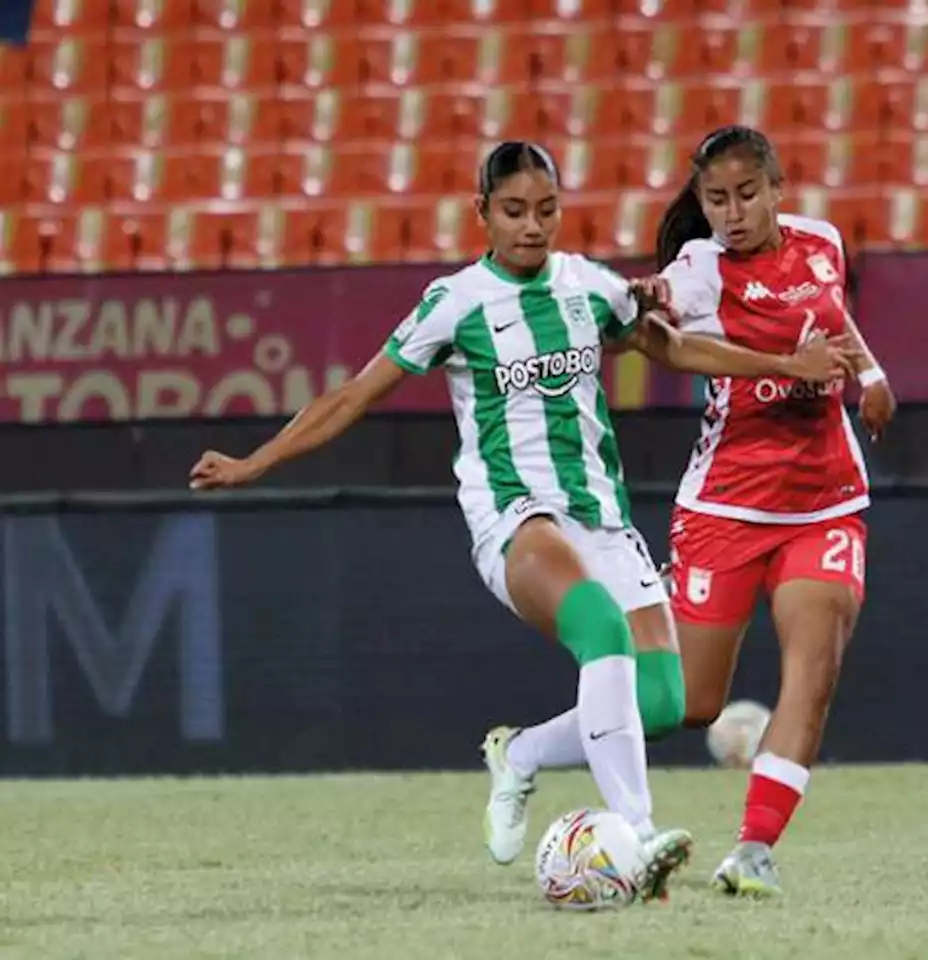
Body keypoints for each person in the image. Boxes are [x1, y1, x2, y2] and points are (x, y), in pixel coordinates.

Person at [188, 140, 858, 902]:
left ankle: (525, 753)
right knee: (600, 631)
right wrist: (254, 462)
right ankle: (635, 836)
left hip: (599, 517)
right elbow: (351, 397)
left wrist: (783, 366)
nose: (532, 227)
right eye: (513, 212)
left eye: (545, 211)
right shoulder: (457, 302)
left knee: (668, 704)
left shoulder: (588, 288)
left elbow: (671, 348)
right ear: (482, 214)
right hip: (514, 517)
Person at [646, 125, 898, 897]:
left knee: (813, 669)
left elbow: (832, 318)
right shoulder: (696, 271)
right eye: (716, 199)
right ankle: (634, 622)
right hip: (725, 502)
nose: (732, 212)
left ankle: (754, 848)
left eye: (746, 195)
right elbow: (657, 340)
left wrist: (872, 373)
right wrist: (648, 303)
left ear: (778, 189)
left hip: (824, 498)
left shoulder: (822, 241)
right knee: (690, 705)